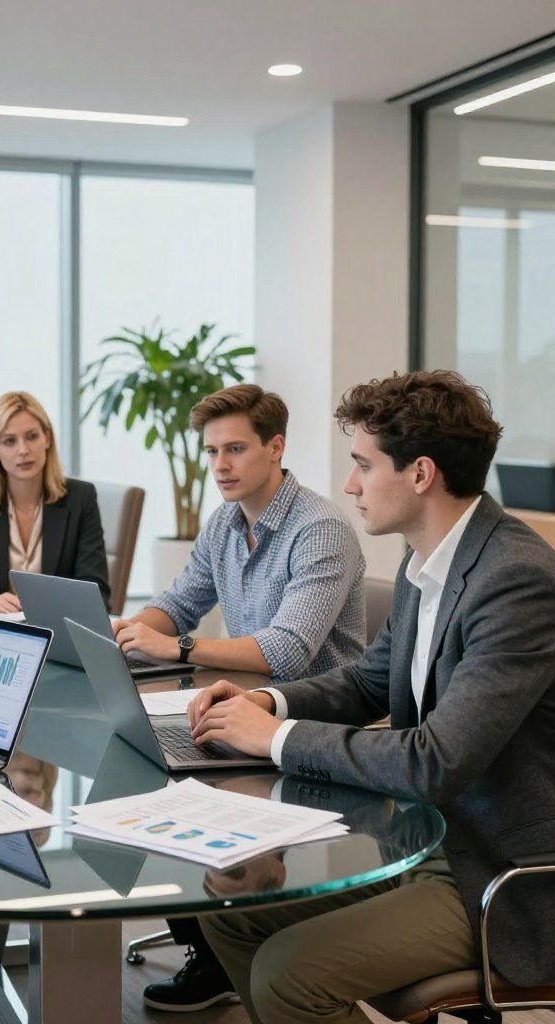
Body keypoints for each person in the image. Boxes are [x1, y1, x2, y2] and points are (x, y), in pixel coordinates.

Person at [187, 370, 555, 1024]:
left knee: (286, 974)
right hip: (428, 845)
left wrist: (273, 740)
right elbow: (365, 683)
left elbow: (434, 759)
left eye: (362, 464)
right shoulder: (428, 561)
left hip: (502, 878)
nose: (350, 484)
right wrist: (267, 707)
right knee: (231, 918)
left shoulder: (516, 579)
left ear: (420, 474)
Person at [112, 384, 366, 1013]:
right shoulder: (226, 523)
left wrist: (175, 649)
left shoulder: (321, 530)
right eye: (212, 452)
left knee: (162, 793)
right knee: (133, 770)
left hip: (306, 723)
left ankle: (217, 952)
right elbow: (178, 604)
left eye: (235, 449)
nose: (220, 466)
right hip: (236, 710)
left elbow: (286, 652)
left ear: (275, 447)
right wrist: (129, 631)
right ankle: (214, 948)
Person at [0, 391, 110, 613]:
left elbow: (96, 591)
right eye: (9, 441)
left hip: (57, 630)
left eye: (32, 436)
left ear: (47, 439)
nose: (23, 450)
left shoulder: (80, 497)